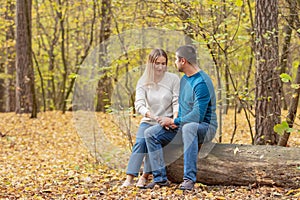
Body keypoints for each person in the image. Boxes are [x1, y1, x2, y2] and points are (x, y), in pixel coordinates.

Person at [144, 45, 217, 190]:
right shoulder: (184, 79)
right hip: (185, 126)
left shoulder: (201, 82)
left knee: (189, 128)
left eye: (176, 60)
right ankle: (160, 179)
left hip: (205, 127)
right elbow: (183, 107)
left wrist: (174, 121)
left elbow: (197, 116)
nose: (174, 63)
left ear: (183, 61)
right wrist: (174, 122)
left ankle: (189, 179)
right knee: (150, 134)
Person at [121, 48, 180, 187]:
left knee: (151, 139)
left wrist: (174, 119)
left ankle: (145, 176)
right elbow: (139, 105)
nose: (160, 67)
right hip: (149, 119)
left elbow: (176, 102)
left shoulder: (173, 79)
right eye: (157, 63)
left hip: (166, 121)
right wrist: (153, 116)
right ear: (150, 63)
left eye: (163, 63)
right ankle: (129, 178)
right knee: (140, 143)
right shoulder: (143, 81)